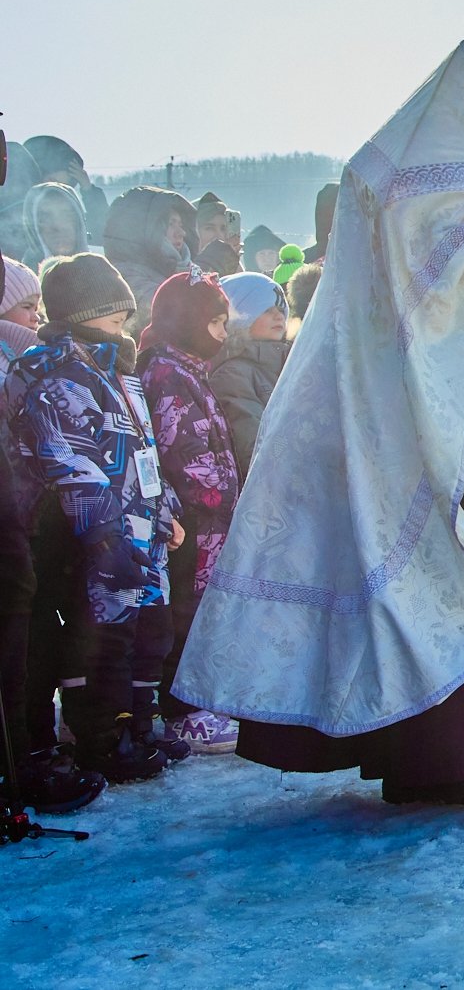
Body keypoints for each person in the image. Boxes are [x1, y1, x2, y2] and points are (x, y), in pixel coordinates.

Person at [171, 21, 464, 811]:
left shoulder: (449, 145)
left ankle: (426, 758)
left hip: (390, 393)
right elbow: (448, 283)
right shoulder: (445, 160)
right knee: (443, 557)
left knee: (409, 565)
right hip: (403, 406)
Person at [6, 253, 184, 782]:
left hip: (140, 530)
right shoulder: (53, 373)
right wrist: (107, 536)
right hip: (97, 539)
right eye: (113, 312)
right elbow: (71, 466)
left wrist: (165, 507)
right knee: (100, 640)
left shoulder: (118, 371)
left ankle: (141, 725)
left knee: (149, 633)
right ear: (82, 311)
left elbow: (144, 452)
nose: (123, 321)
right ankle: (104, 741)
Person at [136, 269, 241, 753]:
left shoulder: (186, 370)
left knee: (202, 611)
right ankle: (182, 710)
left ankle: (200, 698)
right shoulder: (167, 375)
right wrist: (215, 496)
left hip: (210, 521)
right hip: (192, 522)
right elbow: (181, 447)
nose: (223, 335)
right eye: (217, 324)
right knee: (186, 612)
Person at [210, 273, 291, 479]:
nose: (279, 316)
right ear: (240, 316)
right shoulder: (233, 374)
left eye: (282, 309)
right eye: (267, 310)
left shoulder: (287, 365)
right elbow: (251, 446)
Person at [102, 187, 198, 334]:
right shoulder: (124, 276)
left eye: (181, 225)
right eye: (171, 224)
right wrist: (214, 263)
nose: (181, 233)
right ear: (143, 229)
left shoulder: (187, 268)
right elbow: (167, 310)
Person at [23, 135, 109, 242]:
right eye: (53, 182)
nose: (56, 194)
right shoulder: (14, 210)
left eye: (63, 190)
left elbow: (102, 235)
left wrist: (89, 190)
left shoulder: (65, 218)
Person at [20, 182, 90, 271]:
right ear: (33, 229)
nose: (58, 226)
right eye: (45, 217)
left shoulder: (102, 274)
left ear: (79, 224)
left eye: (67, 215)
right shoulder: (16, 281)